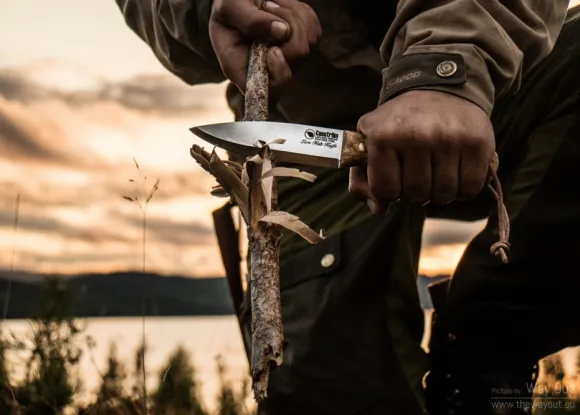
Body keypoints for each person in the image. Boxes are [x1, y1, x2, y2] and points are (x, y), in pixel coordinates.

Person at [114, 1, 578, 414]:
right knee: (331, 387)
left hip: (492, 80)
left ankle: (485, 347)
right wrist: (211, 7)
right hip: (306, 135)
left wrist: (445, 67)